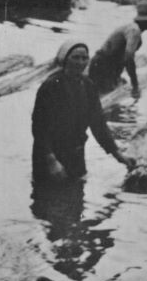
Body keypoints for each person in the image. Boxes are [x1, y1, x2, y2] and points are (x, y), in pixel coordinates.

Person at [31, 39, 134, 183]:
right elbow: (39, 127)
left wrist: (117, 154)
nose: (80, 62)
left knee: (76, 196)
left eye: (84, 58)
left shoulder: (88, 86)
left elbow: (98, 124)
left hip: (75, 152)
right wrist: (51, 160)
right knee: (47, 196)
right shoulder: (51, 86)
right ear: (65, 59)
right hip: (50, 153)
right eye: (76, 57)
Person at [88, 0, 147, 95]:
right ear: (146, 20)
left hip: (107, 66)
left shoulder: (131, 29)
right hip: (102, 66)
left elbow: (123, 57)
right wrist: (135, 84)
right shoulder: (134, 31)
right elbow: (128, 58)